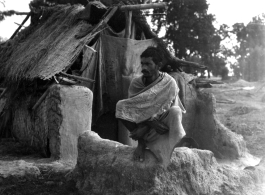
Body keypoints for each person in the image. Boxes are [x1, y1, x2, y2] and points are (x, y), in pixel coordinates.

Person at [115, 46, 187, 165]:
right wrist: (148, 122)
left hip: (162, 127)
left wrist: (148, 125)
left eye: (148, 64)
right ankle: (142, 143)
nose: (144, 68)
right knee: (120, 106)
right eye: (142, 64)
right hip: (143, 129)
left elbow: (168, 108)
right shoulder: (136, 83)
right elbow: (133, 111)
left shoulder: (169, 82)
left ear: (158, 65)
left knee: (176, 111)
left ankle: (170, 148)